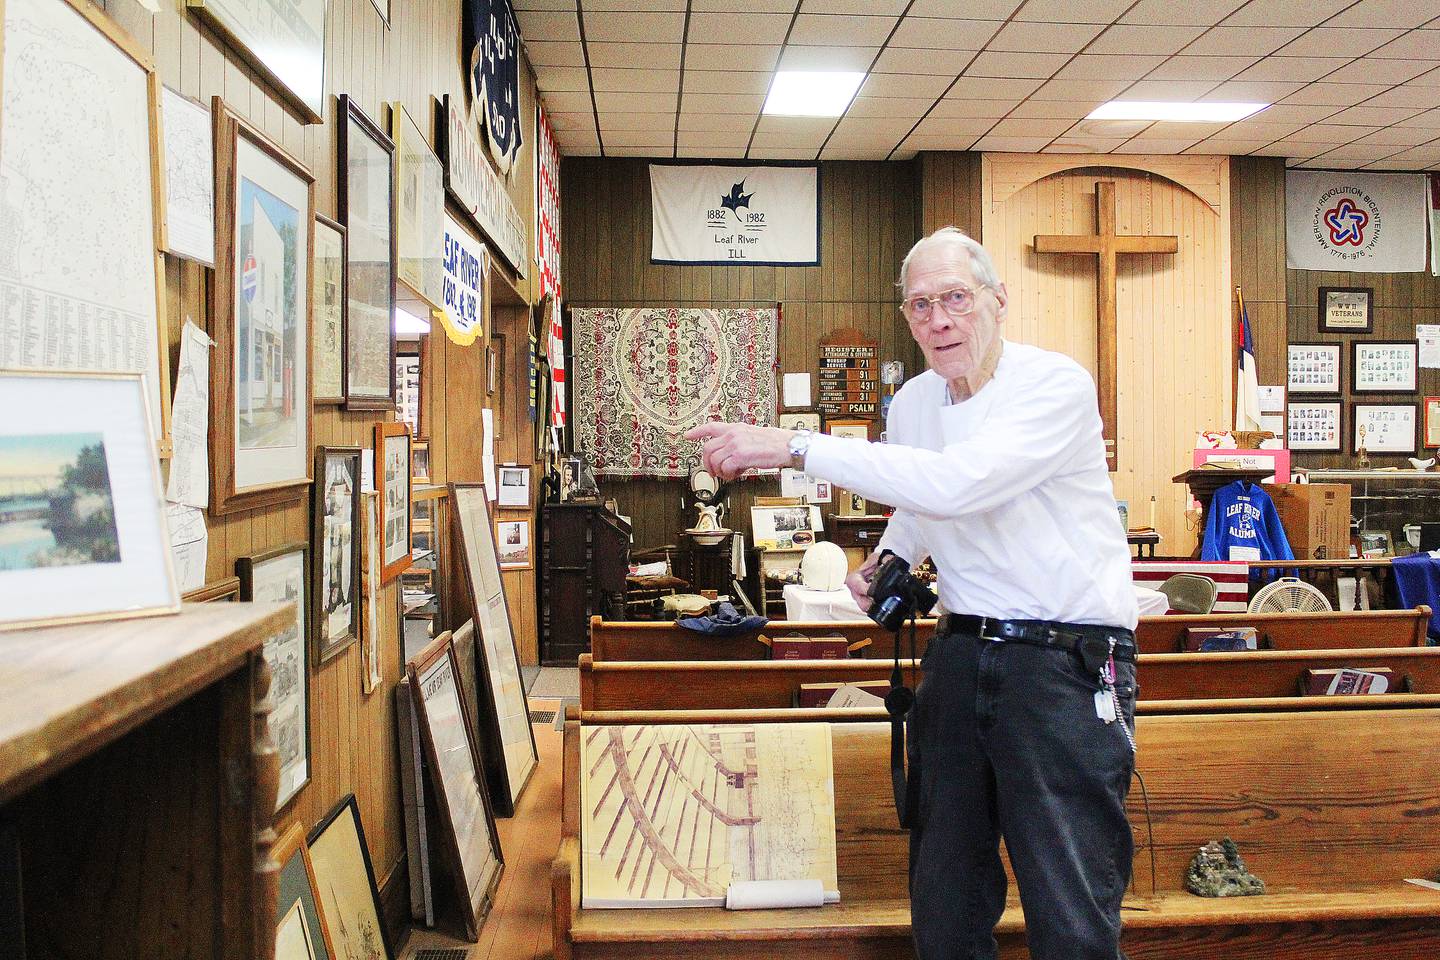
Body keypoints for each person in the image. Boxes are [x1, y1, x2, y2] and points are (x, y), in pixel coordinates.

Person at [685, 226, 1140, 960]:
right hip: (960, 654)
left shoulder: (1055, 385)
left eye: (956, 298)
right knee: (944, 896)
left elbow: (964, 483)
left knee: (1071, 908)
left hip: (1062, 665)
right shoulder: (918, 403)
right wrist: (889, 556)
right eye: (921, 305)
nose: (939, 320)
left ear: (997, 299)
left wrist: (794, 445)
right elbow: (922, 502)